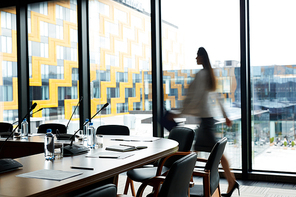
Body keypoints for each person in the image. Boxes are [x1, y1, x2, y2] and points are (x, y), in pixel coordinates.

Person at [168, 47, 239, 197]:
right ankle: (231, 181)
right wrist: (225, 115)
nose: (195, 58)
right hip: (207, 121)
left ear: (202, 57)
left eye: (197, 56)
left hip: (206, 122)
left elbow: (194, 98)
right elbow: (217, 97)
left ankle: (181, 183)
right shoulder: (210, 74)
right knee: (207, 153)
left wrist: (178, 113)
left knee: (194, 154)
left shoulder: (202, 75)